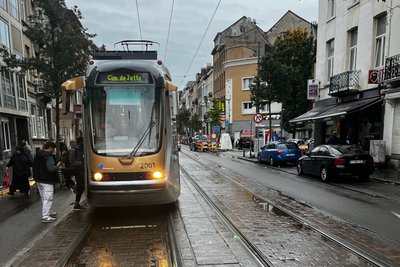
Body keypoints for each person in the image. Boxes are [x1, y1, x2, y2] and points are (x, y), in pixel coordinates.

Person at [33, 141, 60, 223]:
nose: (54, 150)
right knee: (48, 198)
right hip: (47, 180)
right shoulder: (49, 157)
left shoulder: (38, 155)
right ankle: (45, 216)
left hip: (39, 179)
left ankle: (48, 212)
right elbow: (51, 169)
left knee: (44, 197)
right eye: (54, 149)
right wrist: (58, 166)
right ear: (50, 148)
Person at [69, 136, 85, 210]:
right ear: (80, 142)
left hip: (81, 170)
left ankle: (77, 203)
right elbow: (72, 162)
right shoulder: (74, 150)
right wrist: (82, 163)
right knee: (81, 186)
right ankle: (76, 203)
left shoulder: (80, 149)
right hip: (77, 171)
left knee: (82, 186)